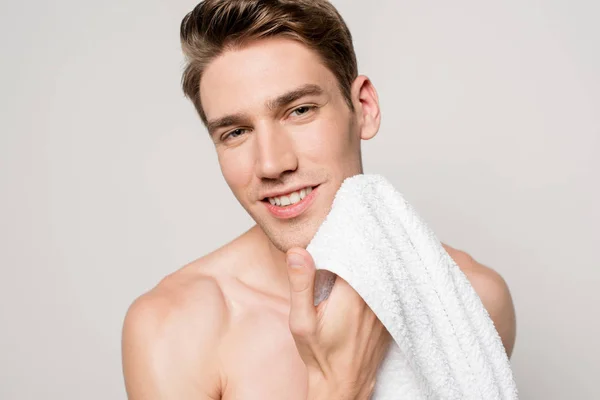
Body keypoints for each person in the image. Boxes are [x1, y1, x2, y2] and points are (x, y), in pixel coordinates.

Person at [121, 1, 517, 398]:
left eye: (300, 110)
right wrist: (340, 385)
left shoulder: (470, 300)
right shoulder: (173, 329)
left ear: (363, 108)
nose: (272, 163)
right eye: (236, 133)